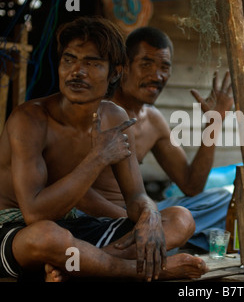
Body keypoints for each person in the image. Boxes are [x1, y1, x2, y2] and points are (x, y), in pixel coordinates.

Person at [0, 16, 207, 281]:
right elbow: (34, 214)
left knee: (181, 218)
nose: (77, 71)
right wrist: (97, 157)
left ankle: (77, 267)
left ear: (115, 72)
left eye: (92, 63)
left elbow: (136, 197)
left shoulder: (116, 117)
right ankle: (131, 270)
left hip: (75, 230)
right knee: (47, 236)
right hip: (15, 229)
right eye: (69, 59)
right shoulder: (29, 119)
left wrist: (150, 215)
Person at [75, 26, 234, 252]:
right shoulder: (98, 114)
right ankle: (165, 242)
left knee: (224, 200)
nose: (157, 76)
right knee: (175, 222)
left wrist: (214, 123)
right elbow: (78, 193)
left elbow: (191, 185)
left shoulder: (152, 119)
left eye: (164, 67)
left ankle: (163, 241)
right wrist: (141, 220)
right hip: (100, 219)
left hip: (142, 214)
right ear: (123, 68)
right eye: (146, 64)